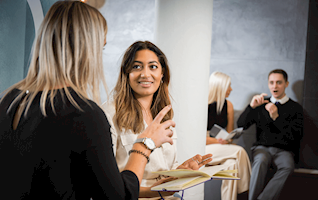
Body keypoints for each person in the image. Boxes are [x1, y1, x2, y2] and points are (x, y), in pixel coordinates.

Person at [0, 2, 175, 199]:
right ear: (86, 50)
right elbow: (119, 196)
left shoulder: (10, 100)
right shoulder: (83, 114)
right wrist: (144, 145)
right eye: (100, 48)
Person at [102, 41, 212, 200]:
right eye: (136, 67)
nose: (145, 74)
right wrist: (153, 191)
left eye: (152, 67)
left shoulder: (164, 115)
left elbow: (163, 169)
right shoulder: (108, 114)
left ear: (162, 75)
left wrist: (179, 171)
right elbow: (107, 183)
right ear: (126, 73)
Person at [237, 69, 304, 200]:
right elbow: (241, 125)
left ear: (286, 84)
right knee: (260, 160)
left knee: (288, 167)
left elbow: (296, 136)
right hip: (262, 148)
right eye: (271, 82)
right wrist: (251, 107)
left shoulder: (295, 108)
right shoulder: (262, 104)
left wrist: (276, 117)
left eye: (279, 82)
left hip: (284, 150)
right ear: (268, 84)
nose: (275, 86)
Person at [205, 72, 251, 200]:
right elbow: (196, 139)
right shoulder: (202, 105)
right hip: (204, 146)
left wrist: (229, 138)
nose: (231, 89)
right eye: (228, 86)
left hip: (220, 147)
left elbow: (229, 135)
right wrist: (216, 141)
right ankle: (246, 193)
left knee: (232, 165)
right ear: (219, 86)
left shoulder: (228, 105)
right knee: (240, 151)